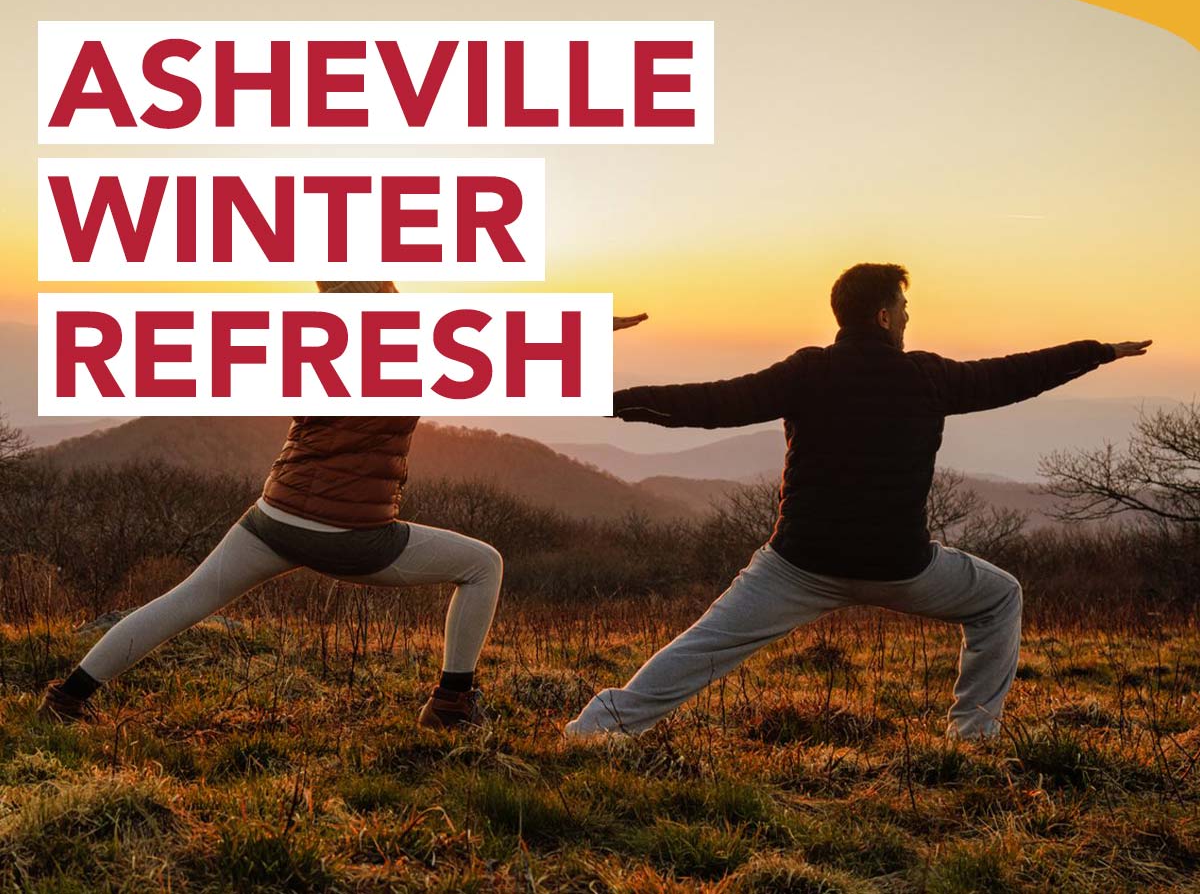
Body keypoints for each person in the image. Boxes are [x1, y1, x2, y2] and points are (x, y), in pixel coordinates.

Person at [566, 263, 1151, 741]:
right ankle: (973, 738)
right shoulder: (929, 378)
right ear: (883, 315)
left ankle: (598, 727)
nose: (906, 320)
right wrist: (1096, 351)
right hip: (900, 568)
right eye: (903, 310)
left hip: (798, 566)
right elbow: (1014, 375)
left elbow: (711, 403)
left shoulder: (808, 372)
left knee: (705, 645)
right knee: (1000, 598)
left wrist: (609, 401)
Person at [38, 280, 647, 729]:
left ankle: (68, 696)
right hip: (351, 534)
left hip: (272, 519)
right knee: (483, 563)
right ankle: (453, 701)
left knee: (183, 602)